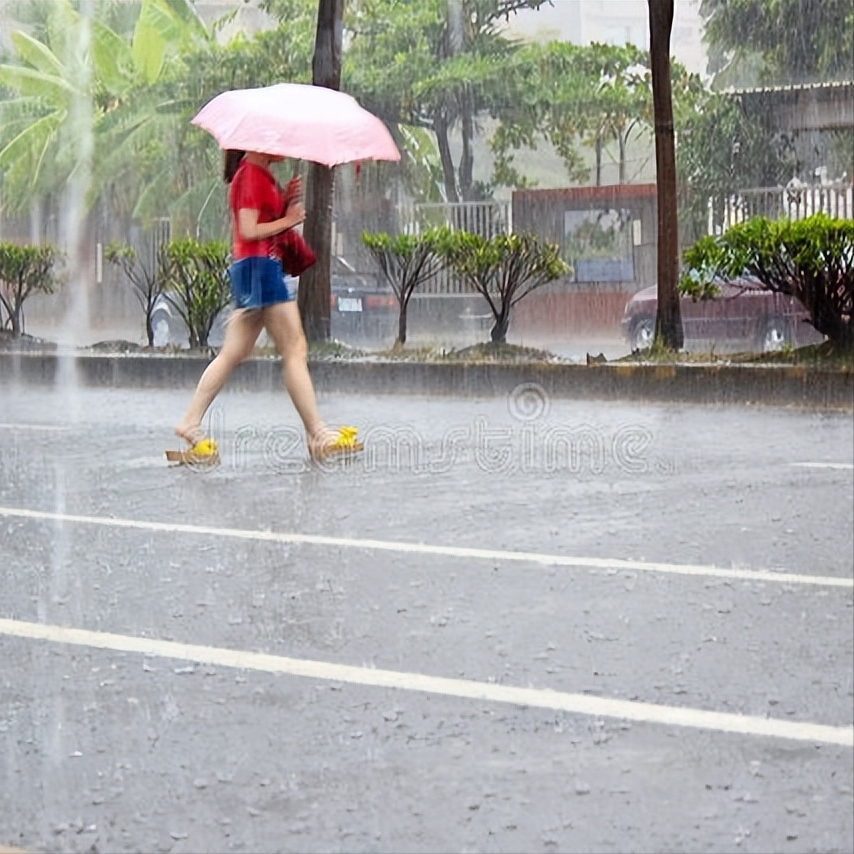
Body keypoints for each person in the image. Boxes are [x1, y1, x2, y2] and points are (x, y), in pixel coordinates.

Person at [172, 149, 361, 463]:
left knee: (235, 351)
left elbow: (259, 220)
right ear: (256, 144)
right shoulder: (250, 176)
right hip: (260, 268)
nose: (282, 147)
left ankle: (190, 421)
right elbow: (248, 229)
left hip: (254, 268)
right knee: (295, 348)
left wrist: (284, 202)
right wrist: (288, 219)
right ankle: (317, 432)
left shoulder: (258, 176)